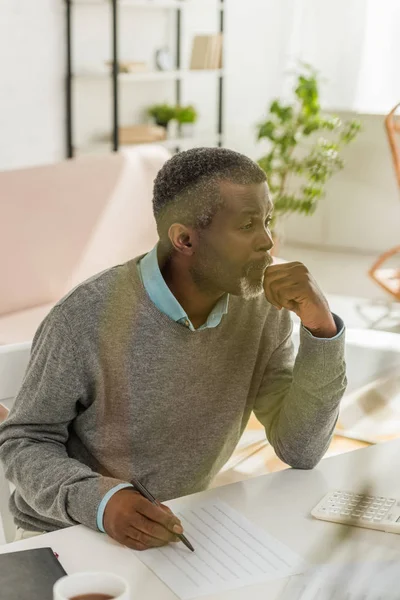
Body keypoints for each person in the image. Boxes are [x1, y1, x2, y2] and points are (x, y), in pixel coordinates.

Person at [0, 147, 346, 550]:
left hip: (179, 525)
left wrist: (321, 330)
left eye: (267, 221)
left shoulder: (263, 310)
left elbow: (300, 448)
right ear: (184, 239)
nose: (267, 241)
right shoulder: (84, 317)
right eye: (249, 224)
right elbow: (24, 440)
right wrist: (104, 503)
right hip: (64, 532)